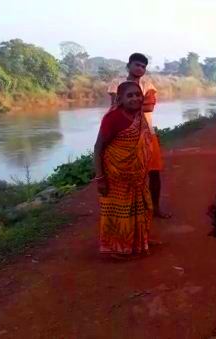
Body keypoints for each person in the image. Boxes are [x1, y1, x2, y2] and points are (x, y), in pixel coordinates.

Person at [94, 81, 152, 259]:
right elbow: (98, 147)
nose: (135, 98)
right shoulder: (112, 118)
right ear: (120, 99)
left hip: (137, 176)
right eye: (130, 95)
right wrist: (100, 178)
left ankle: (136, 244)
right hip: (115, 175)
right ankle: (117, 248)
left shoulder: (140, 116)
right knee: (118, 211)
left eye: (137, 94)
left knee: (138, 209)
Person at [107, 53, 169, 219]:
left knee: (154, 172)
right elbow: (113, 108)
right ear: (129, 65)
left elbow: (149, 106)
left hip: (147, 133)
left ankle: (155, 208)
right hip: (123, 135)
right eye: (137, 65)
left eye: (143, 66)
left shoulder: (148, 84)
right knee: (127, 175)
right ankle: (129, 210)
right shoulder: (116, 83)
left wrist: (126, 104)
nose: (140, 69)